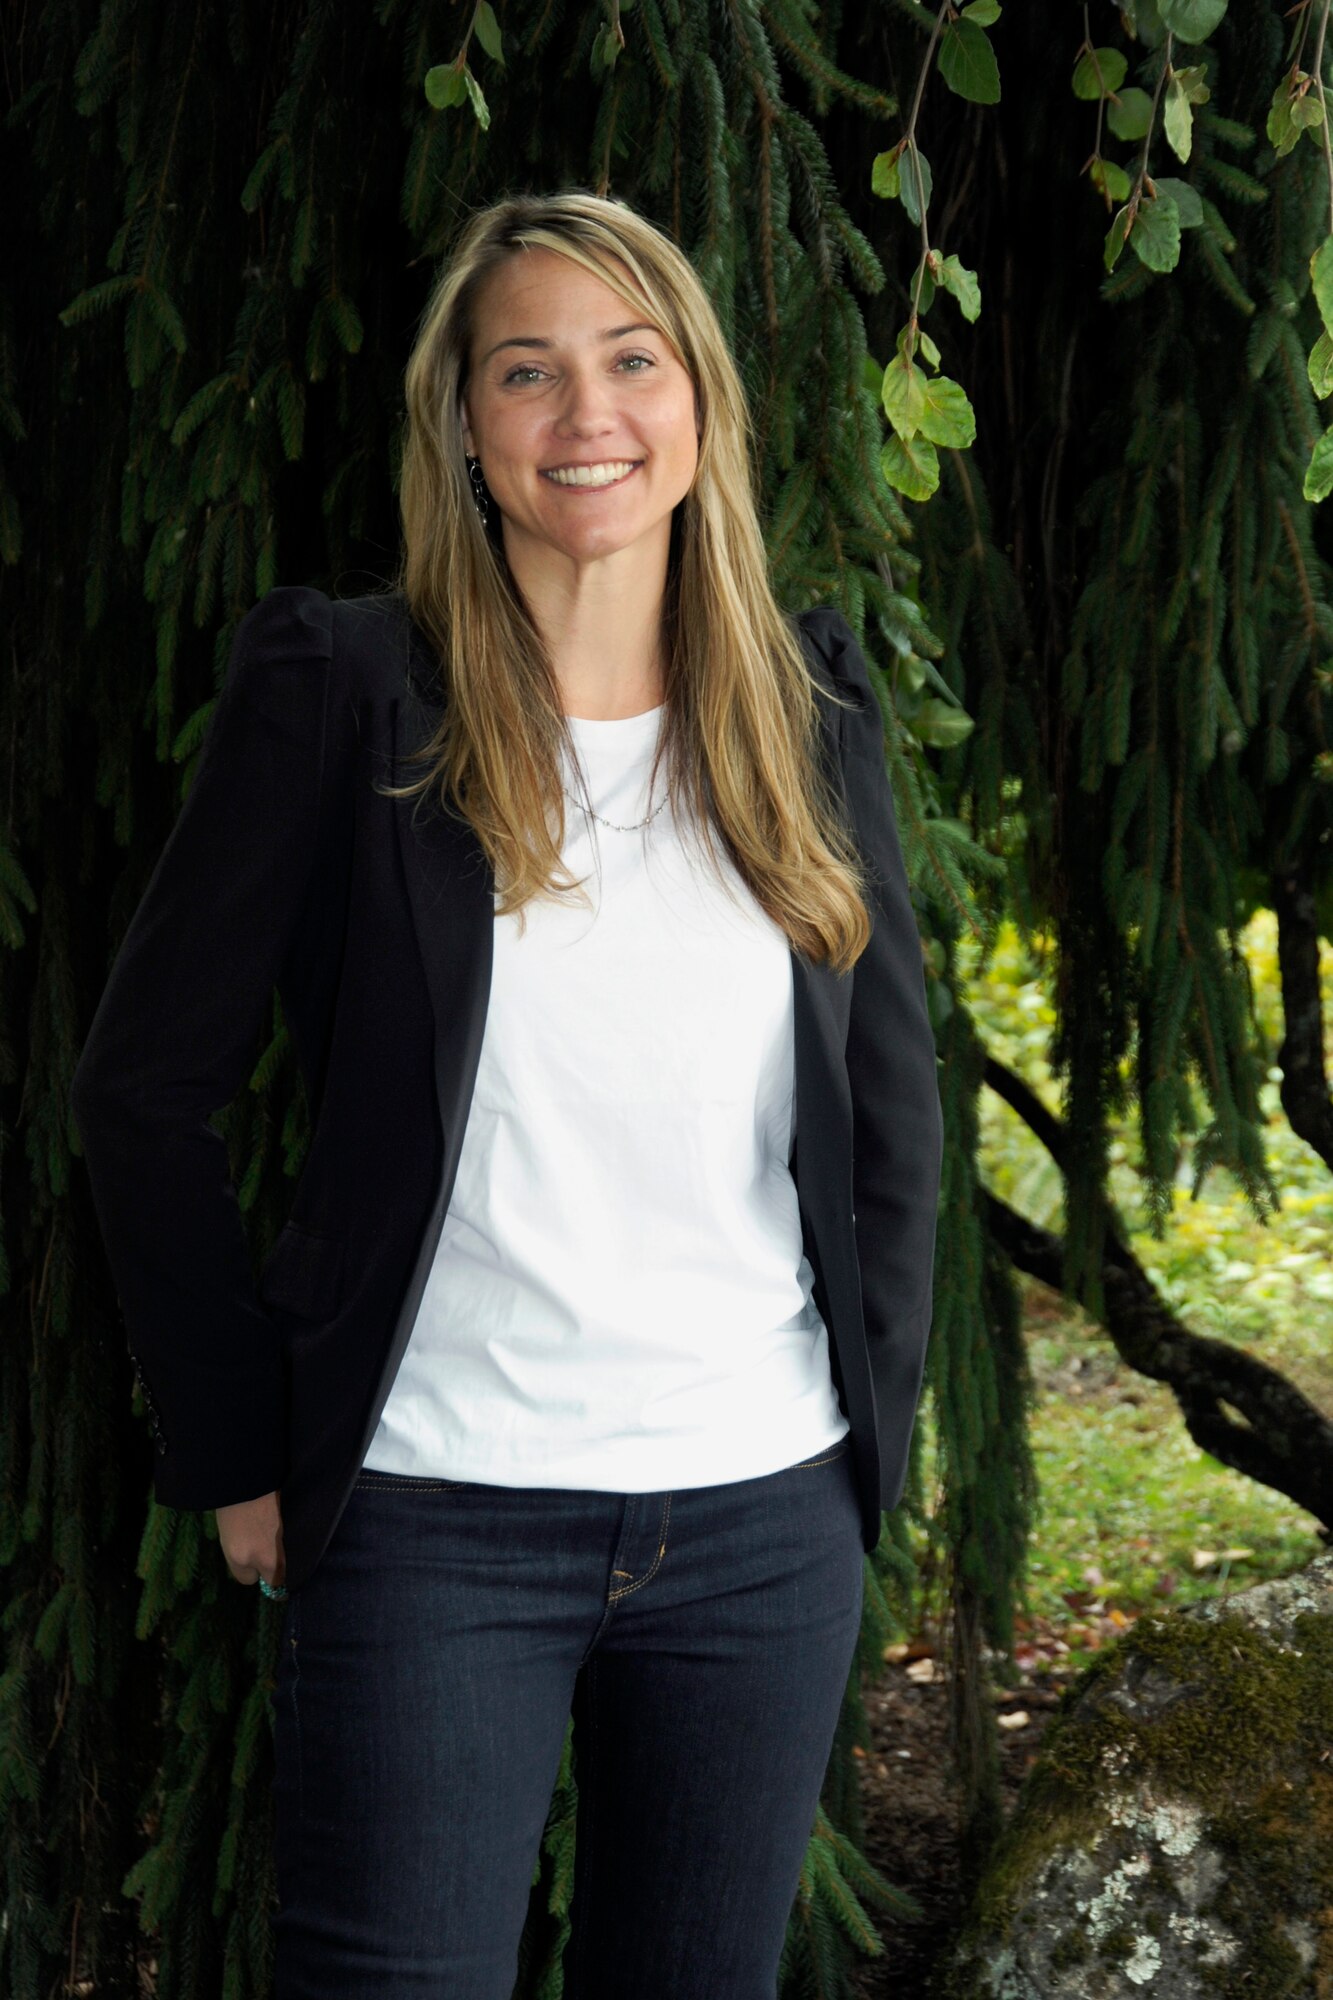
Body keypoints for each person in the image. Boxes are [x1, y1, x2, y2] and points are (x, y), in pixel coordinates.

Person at [71, 188, 943, 2000]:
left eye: (631, 362)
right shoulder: (344, 689)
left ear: (698, 401)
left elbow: (886, 1110)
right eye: (525, 372)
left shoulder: (805, 700)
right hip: (429, 1516)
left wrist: (869, 1446)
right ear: (462, 427)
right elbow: (145, 1092)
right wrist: (240, 1447)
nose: (586, 416)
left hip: (761, 1518)